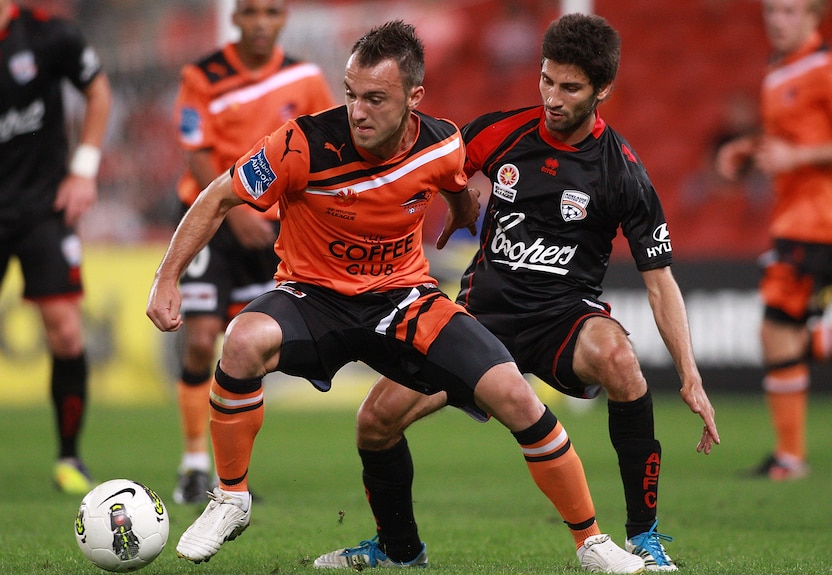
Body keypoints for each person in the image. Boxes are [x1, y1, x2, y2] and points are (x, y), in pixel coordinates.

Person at [148, 20, 648, 574]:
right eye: (351, 94)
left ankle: (592, 543)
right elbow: (217, 197)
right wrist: (165, 279)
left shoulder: (442, 143)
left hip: (403, 299)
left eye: (375, 98)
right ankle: (231, 497)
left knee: (514, 394)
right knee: (242, 342)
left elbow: (458, 187)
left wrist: (460, 216)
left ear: (414, 99)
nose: (358, 111)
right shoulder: (300, 143)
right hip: (315, 297)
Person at [313, 13, 719, 573]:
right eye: (547, 81)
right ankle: (398, 548)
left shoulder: (622, 172)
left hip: (563, 321)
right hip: (481, 319)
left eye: (570, 87)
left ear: (603, 91)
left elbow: (660, 282)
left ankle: (644, 537)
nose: (553, 97)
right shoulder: (501, 131)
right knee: (373, 421)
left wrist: (690, 377)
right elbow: (426, 170)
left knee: (621, 360)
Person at [170, 0, 334, 505]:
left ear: (283, 18)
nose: (260, 22)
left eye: (270, 12)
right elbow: (197, 153)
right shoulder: (203, 75)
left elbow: (326, 148)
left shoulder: (306, 79)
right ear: (234, 18)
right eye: (250, 12)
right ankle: (193, 464)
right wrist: (234, 212)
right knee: (199, 340)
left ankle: (230, 478)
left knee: (250, 353)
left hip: (271, 234)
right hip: (213, 224)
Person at [716, 0, 832, 480]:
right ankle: (789, 458)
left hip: (820, 219)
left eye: (788, 11)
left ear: (814, 16)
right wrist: (749, 149)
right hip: (794, 219)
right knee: (786, 334)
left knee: (779, 332)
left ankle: (790, 460)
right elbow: (786, 140)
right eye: (771, 12)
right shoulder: (779, 72)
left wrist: (799, 157)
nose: (777, 21)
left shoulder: (831, 69)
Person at [0, 0, 111, 494]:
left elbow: (99, 92)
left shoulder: (49, 35)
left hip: (44, 207)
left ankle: (69, 458)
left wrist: (83, 170)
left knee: (66, 332)